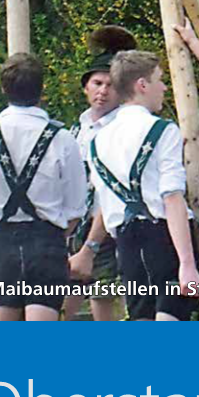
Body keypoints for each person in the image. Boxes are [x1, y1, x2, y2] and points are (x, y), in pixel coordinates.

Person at [0, 52, 85, 322]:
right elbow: (75, 210)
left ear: (4, 89)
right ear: (42, 91)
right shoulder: (63, 140)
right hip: (46, 241)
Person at [89, 50, 199, 322]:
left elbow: (104, 202)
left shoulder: (97, 140)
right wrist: (187, 264)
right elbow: (172, 197)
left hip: (127, 244)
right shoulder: (163, 130)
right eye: (159, 79)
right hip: (164, 238)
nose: (163, 87)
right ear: (142, 85)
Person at [65, 26, 137, 322]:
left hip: (109, 229)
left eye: (110, 85)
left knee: (106, 308)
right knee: (58, 308)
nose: (103, 91)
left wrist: (92, 245)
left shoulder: (124, 130)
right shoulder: (75, 131)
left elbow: (114, 191)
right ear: (86, 87)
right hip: (73, 228)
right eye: (97, 83)